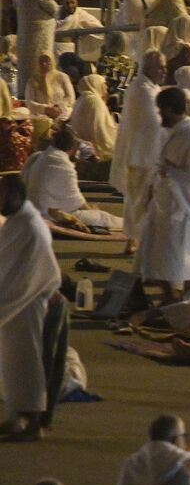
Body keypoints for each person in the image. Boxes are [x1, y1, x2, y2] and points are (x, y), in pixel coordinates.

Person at [0, 175, 62, 441]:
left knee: (29, 362)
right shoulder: (17, 221)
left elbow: (24, 277)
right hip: (16, 303)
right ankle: (15, 416)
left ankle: (35, 424)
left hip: (29, 302)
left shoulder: (30, 226)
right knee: (11, 363)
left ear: (16, 196)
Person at [138, 87, 190, 304]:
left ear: (170, 109)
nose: (159, 116)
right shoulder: (176, 133)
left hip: (182, 207)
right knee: (160, 254)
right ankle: (170, 295)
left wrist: (171, 172)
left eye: (161, 111)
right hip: (165, 204)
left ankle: (184, 297)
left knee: (179, 256)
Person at [109, 50, 166, 250]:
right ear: (149, 68)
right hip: (143, 155)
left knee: (137, 200)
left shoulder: (147, 88)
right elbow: (154, 123)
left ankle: (134, 239)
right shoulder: (143, 90)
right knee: (139, 200)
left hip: (141, 154)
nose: (163, 72)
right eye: (160, 67)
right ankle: (136, 239)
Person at [20, 125, 121, 230]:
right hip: (48, 213)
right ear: (72, 148)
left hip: (31, 208)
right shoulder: (63, 164)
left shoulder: (38, 155)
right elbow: (75, 200)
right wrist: (91, 210)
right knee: (102, 217)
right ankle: (131, 227)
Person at [15, 0, 56, 92]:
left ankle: (24, 93)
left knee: (26, 67)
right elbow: (53, 8)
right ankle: (38, 95)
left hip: (25, 35)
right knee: (39, 67)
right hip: (39, 36)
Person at [68, 73, 118, 160]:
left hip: (80, 145)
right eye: (104, 84)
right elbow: (99, 130)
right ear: (97, 84)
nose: (106, 88)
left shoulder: (82, 99)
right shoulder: (95, 102)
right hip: (92, 149)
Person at [24, 51, 75, 121]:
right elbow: (29, 102)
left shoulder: (62, 77)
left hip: (61, 114)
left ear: (52, 61)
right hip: (41, 116)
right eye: (41, 61)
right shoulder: (32, 81)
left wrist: (58, 107)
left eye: (47, 61)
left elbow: (71, 97)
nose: (44, 64)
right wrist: (46, 109)